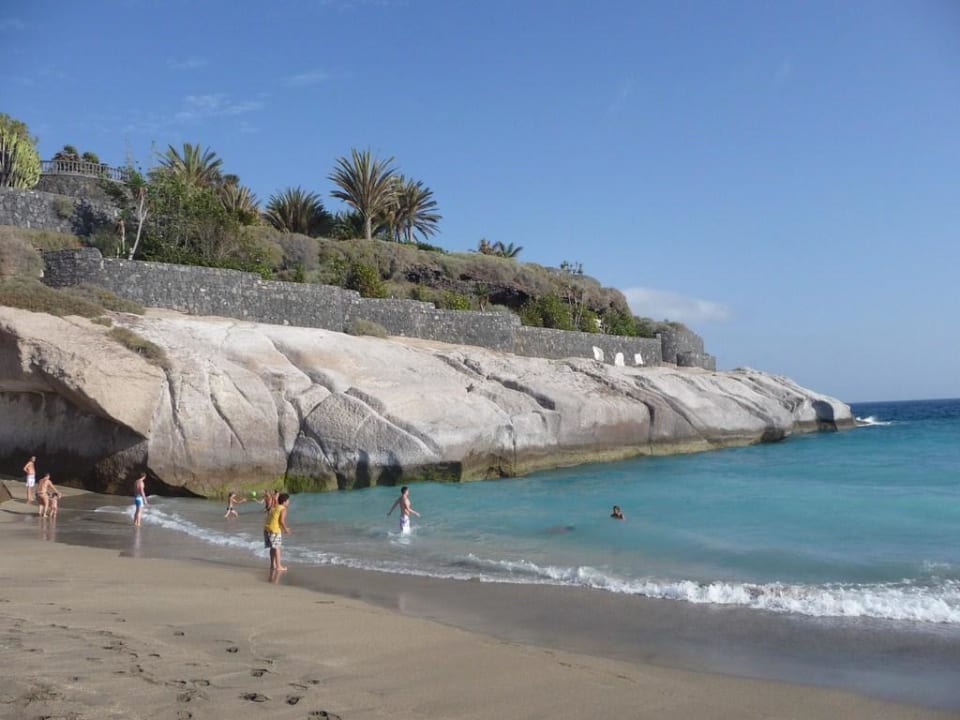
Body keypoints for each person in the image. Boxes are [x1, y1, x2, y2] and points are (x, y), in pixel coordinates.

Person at [263, 492, 291, 573]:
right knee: (277, 548)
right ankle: (278, 566)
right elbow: (281, 521)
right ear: (284, 501)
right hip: (274, 530)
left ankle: (273, 565)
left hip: (266, 529)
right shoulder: (283, 509)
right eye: (288, 500)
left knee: (272, 548)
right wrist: (286, 529)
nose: (289, 502)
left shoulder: (275, 507)